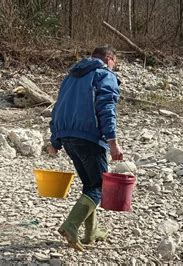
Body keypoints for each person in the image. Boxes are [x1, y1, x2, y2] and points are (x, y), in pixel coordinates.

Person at [47, 45, 123, 251]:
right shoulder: (103, 74)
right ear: (109, 59)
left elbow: (58, 108)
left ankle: (92, 232)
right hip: (89, 137)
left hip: (67, 136)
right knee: (100, 186)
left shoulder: (71, 77)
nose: (113, 68)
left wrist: (55, 140)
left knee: (90, 185)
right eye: (114, 64)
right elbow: (106, 109)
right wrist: (113, 143)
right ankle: (71, 225)